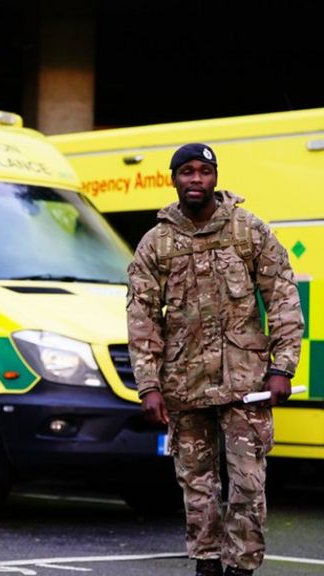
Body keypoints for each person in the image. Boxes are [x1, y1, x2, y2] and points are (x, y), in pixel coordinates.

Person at [126, 143, 303, 576]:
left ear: (215, 177)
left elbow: (282, 296)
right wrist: (148, 385)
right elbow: (142, 316)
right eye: (186, 172)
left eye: (204, 171)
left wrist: (283, 367)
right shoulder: (156, 243)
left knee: (247, 484)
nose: (196, 180)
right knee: (197, 485)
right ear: (173, 179)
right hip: (185, 384)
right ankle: (206, 563)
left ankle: (241, 568)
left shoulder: (249, 231)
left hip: (247, 385)